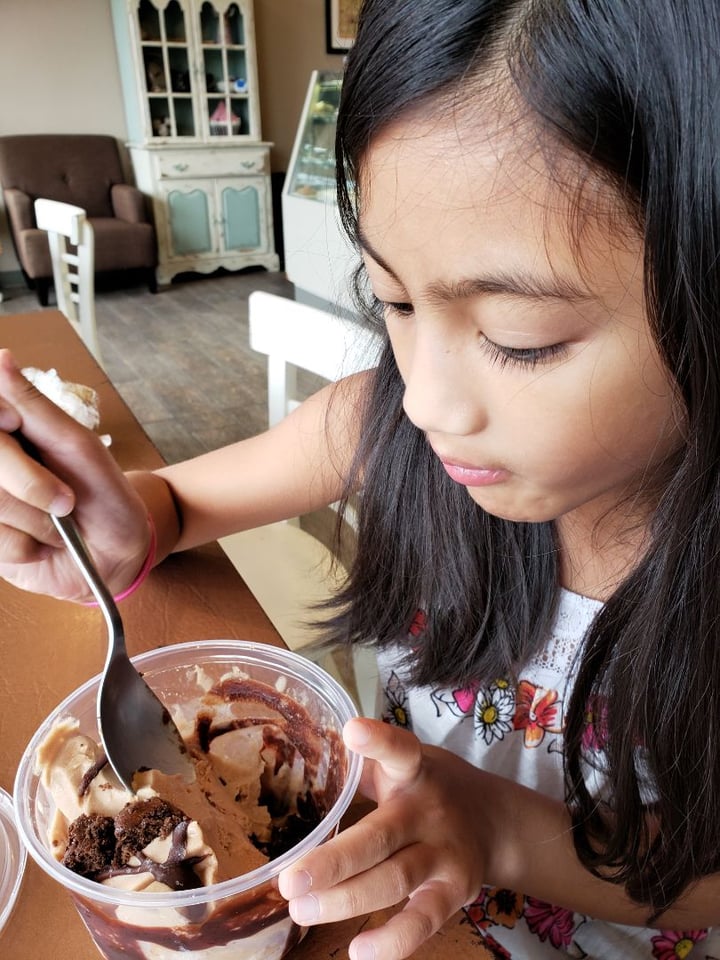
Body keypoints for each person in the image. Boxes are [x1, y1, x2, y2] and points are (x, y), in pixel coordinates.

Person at [2, 0, 720, 956]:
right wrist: (130, 529)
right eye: (395, 300)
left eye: (520, 340)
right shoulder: (387, 426)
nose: (423, 398)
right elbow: (173, 505)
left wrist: (498, 828)